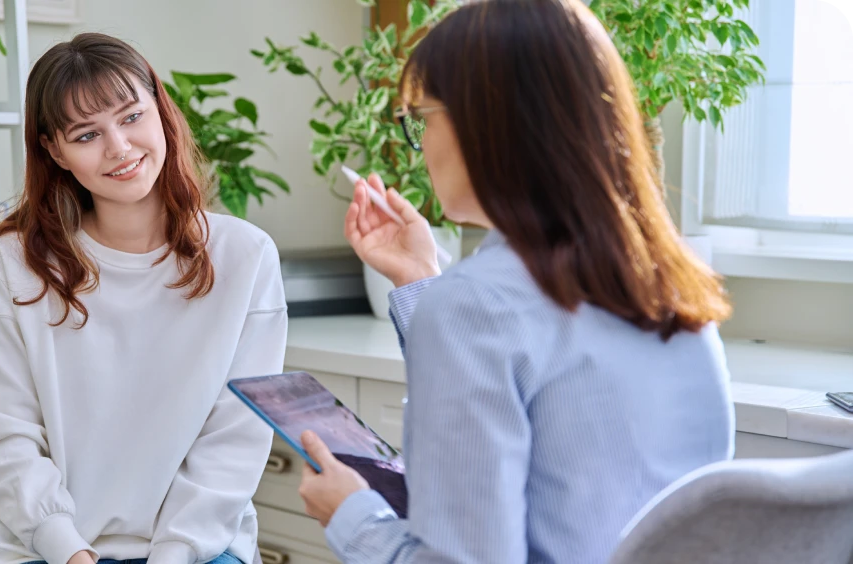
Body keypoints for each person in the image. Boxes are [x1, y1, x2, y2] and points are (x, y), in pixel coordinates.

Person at [296, 1, 735, 562]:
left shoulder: (473, 306)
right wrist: (419, 277)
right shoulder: (669, 287)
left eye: (424, 118)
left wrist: (353, 515)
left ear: (486, 125)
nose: (422, 142)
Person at [0, 33, 286, 564]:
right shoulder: (18, 262)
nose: (119, 148)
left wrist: (174, 553)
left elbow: (235, 442)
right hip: (39, 548)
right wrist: (69, 550)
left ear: (160, 110)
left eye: (132, 116)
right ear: (54, 150)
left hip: (195, 548)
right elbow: (6, 437)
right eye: (87, 134)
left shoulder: (245, 257)